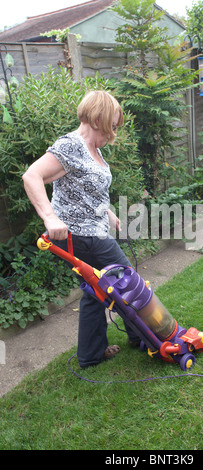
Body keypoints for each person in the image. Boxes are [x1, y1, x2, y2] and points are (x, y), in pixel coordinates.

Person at [22, 90, 140, 369]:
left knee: (94, 292)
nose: (113, 132)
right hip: (81, 236)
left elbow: (88, 191)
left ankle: (90, 354)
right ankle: (143, 337)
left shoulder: (93, 150)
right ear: (99, 118)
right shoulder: (71, 145)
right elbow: (32, 176)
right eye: (113, 124)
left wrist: (108, 214)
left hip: (93, 230)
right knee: (127, 282)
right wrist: (50, 219)